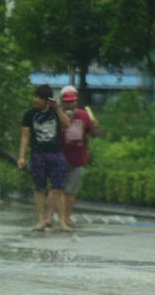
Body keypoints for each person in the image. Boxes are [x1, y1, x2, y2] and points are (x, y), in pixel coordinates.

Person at [17, 84, 72, 232]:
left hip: (56, 154)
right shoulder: (29, 115)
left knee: (59, 190)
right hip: (38, 155)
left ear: (47, 100)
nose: (36, 100)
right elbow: (24, 136)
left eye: (40, 98)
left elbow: (67, 124)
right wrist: (21, 157)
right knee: (40, 189)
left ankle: (62, 222)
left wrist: (57, 108)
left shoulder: (55, 112)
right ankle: (41, 221)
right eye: (35, 96)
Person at [49, 85, 99, 229]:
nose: (69, 104)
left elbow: (93, 135)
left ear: (76, 102)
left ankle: (67, 218)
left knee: (71, 191)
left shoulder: (83, 115)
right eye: (66, 102)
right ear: (61, 102)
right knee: (56, 190)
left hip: (78, 159)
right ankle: (50, 217)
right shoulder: (55, 115)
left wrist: (95, 127)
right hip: (59, 159)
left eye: (72, 101)